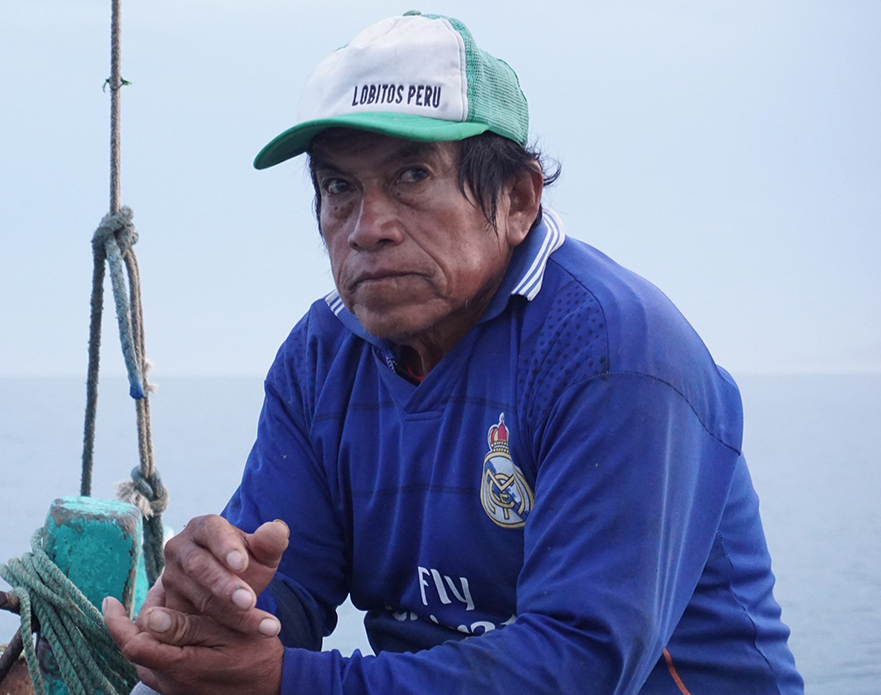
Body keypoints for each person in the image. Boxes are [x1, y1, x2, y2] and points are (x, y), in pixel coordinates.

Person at [103, 12, 804, 695]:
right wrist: (215, 607)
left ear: (518, 199)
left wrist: (286, 680)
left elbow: (581, 663)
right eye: (339, 187)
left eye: (412, 176)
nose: (368, 227)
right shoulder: (323, 356)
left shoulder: (614, 350)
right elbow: (285, 588)